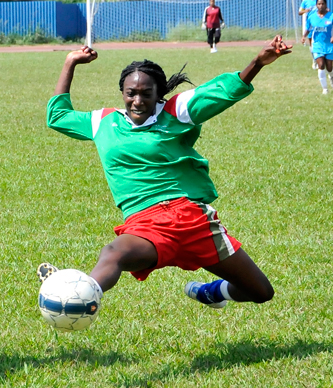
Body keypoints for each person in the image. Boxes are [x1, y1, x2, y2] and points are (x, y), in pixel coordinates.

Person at [38, 36, 292, 316]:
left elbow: (221, 91)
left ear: (158, 93)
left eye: (146, 94)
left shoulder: (176, 112)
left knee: (261, 292)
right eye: (130, 93)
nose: (137, 100)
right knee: (114, 253)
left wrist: (258, 62)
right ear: (122, 92)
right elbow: (58, 116)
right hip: (145, 225)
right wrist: (70, 62)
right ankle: (77, 294)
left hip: (193, 220)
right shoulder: (104, 122)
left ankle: (212, 291)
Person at [301, 0, 333, 94]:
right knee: (321, 65)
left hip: (329, 45)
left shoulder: (331, 16)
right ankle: (325, 89)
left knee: (329, 67)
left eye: (323, 4)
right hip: (317, 45)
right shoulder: (312, 17)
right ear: (316, 5)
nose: (321, 5)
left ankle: (331, 76)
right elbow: (308, 28)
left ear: (326, 5)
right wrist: (304, 37)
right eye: (319, 4)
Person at [299, 0, 319, 69]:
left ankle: (319, 60)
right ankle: (314, 60)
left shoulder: (320, 0)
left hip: (319, 23)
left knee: (319, 42)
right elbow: (299, 12)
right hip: (310, 23)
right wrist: (305, 11)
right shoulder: (306, 1)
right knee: (311, 44)